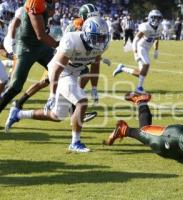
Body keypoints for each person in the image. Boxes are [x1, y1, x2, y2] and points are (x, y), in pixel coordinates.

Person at [5, 17, 110, 153]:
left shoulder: (99, 46)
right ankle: (75, 142)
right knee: (82, 101)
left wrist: (94, 87)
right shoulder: (72, 40)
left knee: (56, 116)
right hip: (61, 73)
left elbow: (95, 65)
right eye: (98, 37)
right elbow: (56, 69)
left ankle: (18, 114)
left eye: (103, 37)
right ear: (87, 34)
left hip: (73, 73)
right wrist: (52, 94)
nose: (101, 41)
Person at [0, 0, 59, 114]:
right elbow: (40, 35)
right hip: (26, 48)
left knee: (63, 70)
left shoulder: (49, 2)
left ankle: (74, 110)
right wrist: (59, 45)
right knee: (15, 86)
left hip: (41, 46)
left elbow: (49, 14)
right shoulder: (34, 2)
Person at [112, 10, 163, 94]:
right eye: (154, 18)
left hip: (147, 49)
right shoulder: (146, 26)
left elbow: (156, 39)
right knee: (147, 64)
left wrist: (156, 50)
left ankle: (122, 68)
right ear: (150, 18)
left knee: (142, 73)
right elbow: (135, 39)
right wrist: (135, 53)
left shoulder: (160, 27)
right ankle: (139, 88)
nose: (156, 20)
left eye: (158, 18)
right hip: (141, 47)